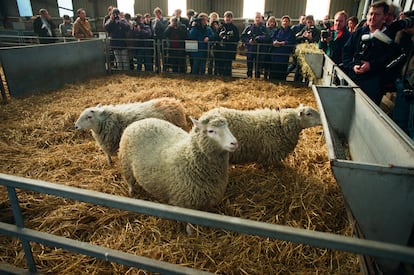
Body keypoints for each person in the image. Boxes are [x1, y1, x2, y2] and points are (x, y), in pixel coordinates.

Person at [342, 1, 395, 105]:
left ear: (384, 17)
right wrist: (352, 66)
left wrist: (371, 65)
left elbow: (389, 59)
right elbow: (346, 51)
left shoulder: (389, 37)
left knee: (368, 109)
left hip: (373, 82)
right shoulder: (359, 32)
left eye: (377, 14)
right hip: (354, 78)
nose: (372, 17)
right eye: (371, 14)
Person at [392, 10, 414, 138]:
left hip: (411, 84)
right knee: (400, 121)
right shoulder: (407, 39)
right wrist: (401, 29)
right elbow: (397, 45)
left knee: (412, 127)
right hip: (405, 82)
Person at [294, 15, 321, 81]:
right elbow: (296, 37)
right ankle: (297, 83)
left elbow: (318, 42)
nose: (309, 23)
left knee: (309, 69)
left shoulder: (317, 31)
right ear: (306, 22)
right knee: (299, 68)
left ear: (313, 21)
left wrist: (311, 39)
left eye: (310, 22)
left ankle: (306, 84)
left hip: (312, 53)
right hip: (303, 52)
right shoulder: (304, 29)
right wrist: (302, 36)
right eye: (308, 22)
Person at [241, 12, 268, 78]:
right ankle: (249, 77)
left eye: (259, 17)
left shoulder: (264, 28)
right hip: (250, 49)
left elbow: (267, 37)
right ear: (254, 19)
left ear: (262, 19)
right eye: (256, 17)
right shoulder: (249, 27)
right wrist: (248, 41)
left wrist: (259, 38)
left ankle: (257, 77)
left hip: (260, 50)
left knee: (258, 65)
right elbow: (243, 36)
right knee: (249, 64)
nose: (257, 19)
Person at [269, 15, 296, 80]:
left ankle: (282, 81)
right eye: (284, 21)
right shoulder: (277, 30)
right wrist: (274, 41)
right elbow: (273, 37)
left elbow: (292, 41)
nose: (285, 22)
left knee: (282, 68)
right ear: (281, 22)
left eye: (286, 21)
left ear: (289, 23)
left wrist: (284, 43)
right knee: (273, 68)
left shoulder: (291, 32)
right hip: (275, 53)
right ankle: (272, 80)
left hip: (284, 53)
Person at [215, 11, 240, 77]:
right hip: (221, 49)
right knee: (220, 64)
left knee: (228, 64)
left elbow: (237, 38)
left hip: (230, 50)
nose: (227, 18)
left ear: (232, 18)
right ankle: (220, 76)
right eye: (226, 17)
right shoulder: (220, 27)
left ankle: (228, 77)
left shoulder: (234, 28)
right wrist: (219, 36)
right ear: (224, 18)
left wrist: (230, 38)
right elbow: (215, 37)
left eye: (229, 17)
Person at [151, 7, 169, 73]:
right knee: (156, 55)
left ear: (160, 13)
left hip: (163, 39)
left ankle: (165, 68)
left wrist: (158, 22)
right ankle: (157, 68)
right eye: (156, 14)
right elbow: (152, 29)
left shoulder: (165, 20)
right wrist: (156, 23)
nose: (157, 15)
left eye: (158, 13)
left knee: (164, 54)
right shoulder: (153, 21)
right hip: (156, 39)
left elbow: (165, 28)